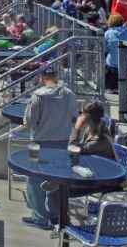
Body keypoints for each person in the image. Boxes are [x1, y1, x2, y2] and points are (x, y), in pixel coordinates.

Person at [21, 66, 79, 229]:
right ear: (56, 76)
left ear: (42, 78)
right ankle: (55, 214)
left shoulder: (38, 96)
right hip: (62, 143)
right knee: (56, 180)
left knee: (34, 179)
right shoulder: (69, 94)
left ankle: (40, 218)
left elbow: (29, 121)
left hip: (39, 142)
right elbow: (75, 117)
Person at [105, 13, 127, 92]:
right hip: (126, 65)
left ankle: (111, 89)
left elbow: (105, 49)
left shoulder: (108, 33)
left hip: (111, 65)